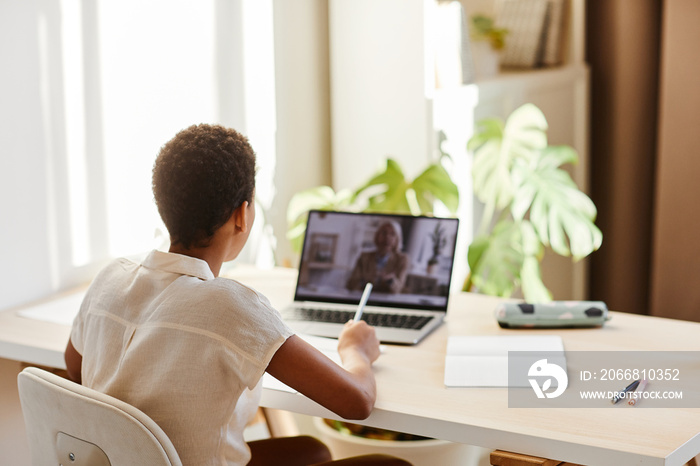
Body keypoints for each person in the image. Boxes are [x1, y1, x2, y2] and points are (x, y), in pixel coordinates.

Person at [64, 124, 410, 466]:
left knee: (311, 452)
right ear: (241, 215)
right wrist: (356, 349)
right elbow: (357, 401)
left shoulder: (109, 277)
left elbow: (74, 365)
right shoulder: (232, 307)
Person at [346, 221, 409, 294]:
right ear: (377, 236)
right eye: (384, 233)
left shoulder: (402, 259)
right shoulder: (364, 257)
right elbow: (351, 284)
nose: (387, 237)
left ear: (397, 239)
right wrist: (368, 280)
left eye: (392, 234)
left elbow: (398, 289)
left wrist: (390, 281)